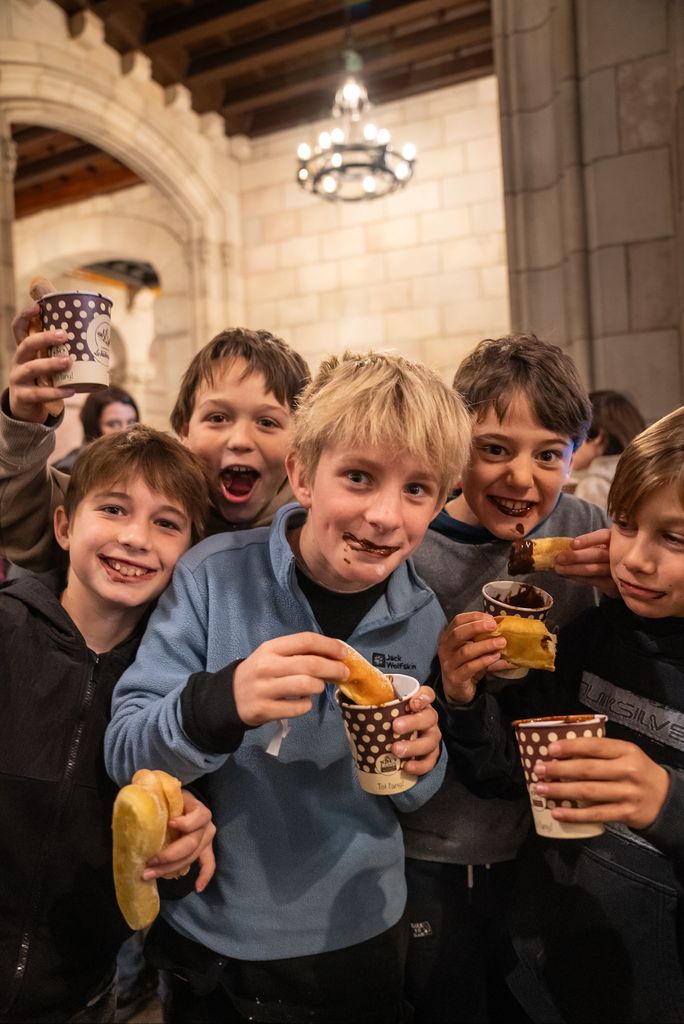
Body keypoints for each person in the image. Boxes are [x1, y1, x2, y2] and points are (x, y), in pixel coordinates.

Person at [104, 351, 472, 1024]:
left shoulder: (424, 616)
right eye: (358, 477)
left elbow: (418, 793)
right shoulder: (210, 578)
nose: (385, 516)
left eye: (417, 490)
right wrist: (222, 701)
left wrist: (426, 759)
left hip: (359, 930)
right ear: (302, 473)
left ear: (443, 498)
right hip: (212, 935)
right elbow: (126, 746)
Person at [439, 405, 684, 1023]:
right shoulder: (590, 637)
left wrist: (666, 801)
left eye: (674, 538)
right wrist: (466, 700)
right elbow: (506, 773)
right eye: (625, 526)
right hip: (540, 972)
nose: (635, 560)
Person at [403, 334, 614, 1024]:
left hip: (548, 852)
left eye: (548, 453)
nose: (522, 478)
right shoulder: (410, 544)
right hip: (427, 850)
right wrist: (451, 681)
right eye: (494, 448)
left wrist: (637, 586)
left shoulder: (589, 534)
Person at [0, 426, 217, 1024]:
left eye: (166, 523)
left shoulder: (175, 694)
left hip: (83, 995)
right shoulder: (8, 630)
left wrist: (180, 849)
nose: (134, 538)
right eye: (114, 509)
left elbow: (157, 878)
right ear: (65, 526)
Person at [0, 305, 310, 570]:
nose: (240, 440)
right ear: (184, 431)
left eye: (267, 422)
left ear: (298, 441)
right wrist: (24, 424)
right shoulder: (144, 503)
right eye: (217, 418)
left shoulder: (316, 533)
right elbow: (29, 518)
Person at [569, 388, 646, 511]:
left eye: (573, 435)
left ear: (597, 436)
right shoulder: (649, 472)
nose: (569, 445)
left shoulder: (594, 486)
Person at [53, 385, 140, 473]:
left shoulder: (138, 465)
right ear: (93, 427)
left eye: (131, 423)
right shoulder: (71, 469)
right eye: (113, 424)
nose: (125, 431)